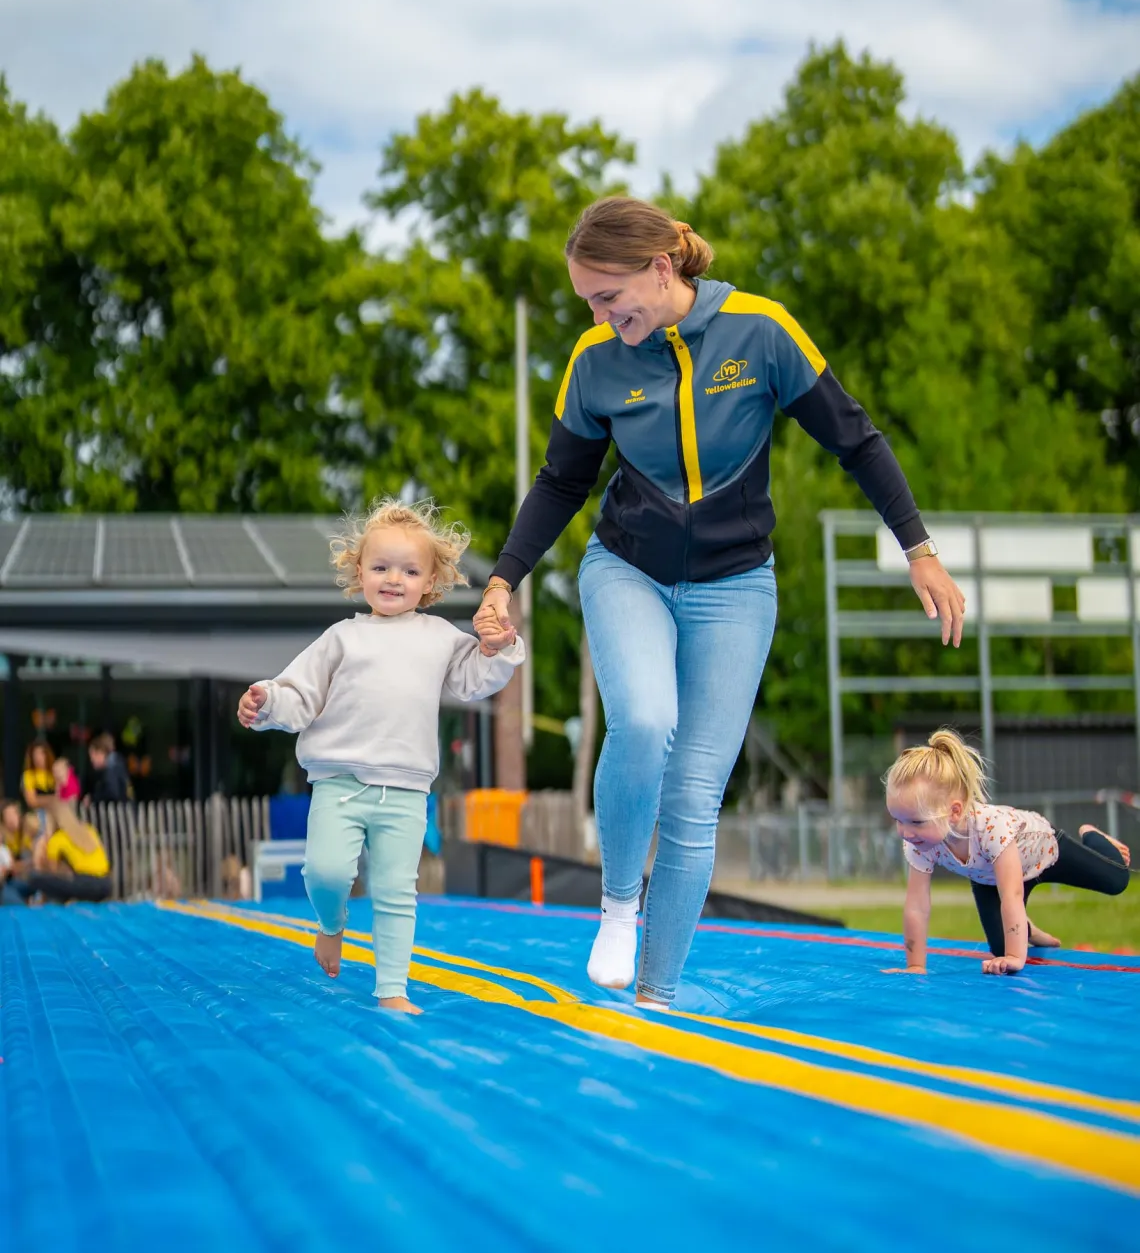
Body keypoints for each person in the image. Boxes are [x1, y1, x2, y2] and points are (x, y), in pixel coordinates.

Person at [474, 196, 965, 1011]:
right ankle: (618, 906)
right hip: (627, 566)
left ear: (661, 268)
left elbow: (856, 438)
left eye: (607, 296)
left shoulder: (762, 331)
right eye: (586, 302)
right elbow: (562, 481)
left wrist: (920, 550)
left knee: (696, 791)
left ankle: (658, 999)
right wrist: (502, 580)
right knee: (643, 720)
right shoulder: (596, 359)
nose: (598, 316)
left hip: (737, 586)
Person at [237, 498, 525, 1015]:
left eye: (410, 570)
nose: (394, 579)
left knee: (396, 892)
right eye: (381, 567)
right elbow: (299, 695)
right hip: (339, 783)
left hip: (407, 790)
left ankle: (392, 988)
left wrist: (497, 647)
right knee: (323, 873)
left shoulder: (439, 638)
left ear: (430, 580)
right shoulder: (342, 638)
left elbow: (474, 677)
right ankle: (332, 924)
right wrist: (266, 702)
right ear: (359, 572)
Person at [885, 729, 1131, 975]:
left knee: (1116, 879)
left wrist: (1015, 957)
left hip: (1044, 852)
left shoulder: (990, 828)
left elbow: (1011, 893)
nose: (905, 832)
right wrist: (915, 966)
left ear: (955, 812)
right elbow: (917, 905)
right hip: (990, 876)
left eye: (916, 822)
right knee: (1000, 946)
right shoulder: (919, 842)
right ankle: (1029, 930)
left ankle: (1092, 835)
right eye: (898, 820)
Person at [22, 795, 112, 904]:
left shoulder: (57, 839)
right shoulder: (89, 829)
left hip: (87, 883)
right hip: (106, 883)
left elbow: (52, 871)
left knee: (36, 879)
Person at [87, 733, 132, 803]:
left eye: (93, 754)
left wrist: (93, 798)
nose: (91, 759)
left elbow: (112, 793)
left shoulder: (112, 767)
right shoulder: (117, 763)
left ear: (101, 752)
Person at [22, 739, 56, 811]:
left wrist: (40, 799)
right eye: (35, 754)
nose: (38, 757)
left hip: (55, 809)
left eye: (41, 754)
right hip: (38, 812)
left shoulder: (54, 772)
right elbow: (32, 801)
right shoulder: (28, 775)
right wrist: (52, 799)